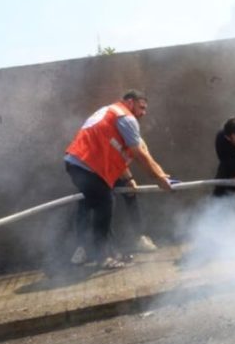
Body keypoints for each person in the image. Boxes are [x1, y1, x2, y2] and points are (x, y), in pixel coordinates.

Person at [64, 90, 172, 268]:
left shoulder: (112, 114)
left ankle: (113, 251)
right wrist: (158, 177)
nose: (143, 113)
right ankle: (101, 256)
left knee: (105, 203)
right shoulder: (126, 118)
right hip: (85, 165)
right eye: (141, 107)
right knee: (103, 203)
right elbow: (139, 154)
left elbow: (122, 154)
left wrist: (130, 179)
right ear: (130, 102)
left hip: (83, 165)